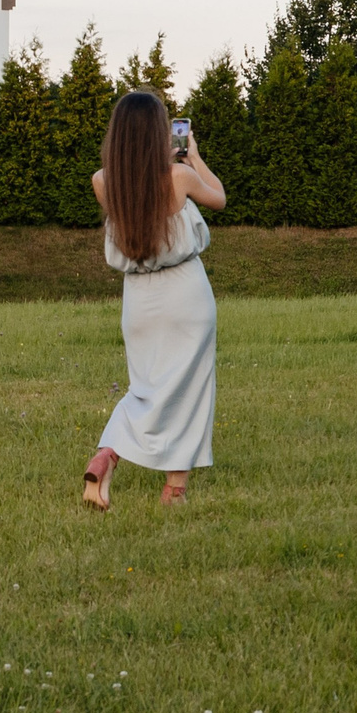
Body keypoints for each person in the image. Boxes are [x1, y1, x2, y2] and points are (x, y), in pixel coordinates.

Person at [82, 91, 227, 510]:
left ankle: (109, 452)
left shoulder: (103, 181)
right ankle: (174, 490)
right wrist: (192, 157)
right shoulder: (177, 178)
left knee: (144, 387)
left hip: (138, 301)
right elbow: (219, 197)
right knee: (187, 388)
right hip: (184, 294)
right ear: (157, 134)